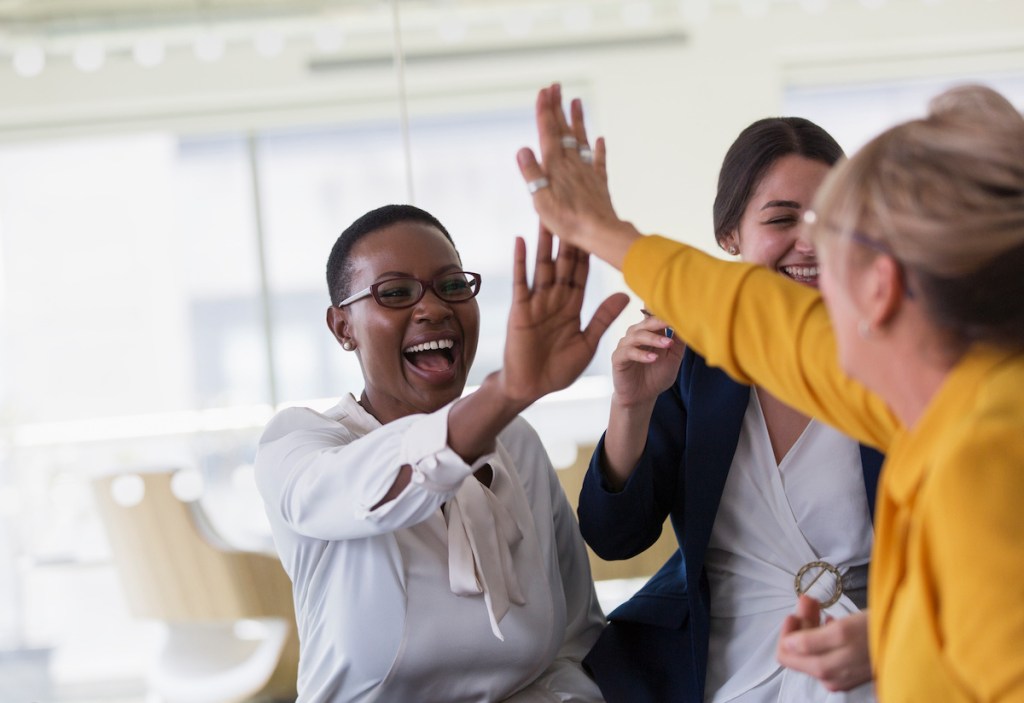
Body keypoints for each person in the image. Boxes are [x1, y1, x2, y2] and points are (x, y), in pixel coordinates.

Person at [516, 83, 1024, 701]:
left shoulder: (981, 447)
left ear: (881, 287)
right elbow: (762, 322)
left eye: (839, 237)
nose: (811, 256)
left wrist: (606, 232)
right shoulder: (953, 394)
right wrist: (896, 633)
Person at [254, 203, 628, 702]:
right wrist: (508, 391)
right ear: (343, 327)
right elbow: (352, 491)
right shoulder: (300, 444)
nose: (433, 309)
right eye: (395, 293)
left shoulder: (516, 443)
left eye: (452, 285)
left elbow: (571, 645)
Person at [576, 117, 882, 702]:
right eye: (782, 219)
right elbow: (614, 537)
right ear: (730, 236)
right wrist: (632, 404)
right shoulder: (693, 356)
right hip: (714, 659)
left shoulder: (891, 358)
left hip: (871, 649)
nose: (810, 242)